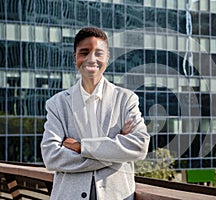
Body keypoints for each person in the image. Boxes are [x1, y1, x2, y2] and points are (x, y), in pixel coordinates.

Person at [41, 27, 150, 200]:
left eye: (98, 53)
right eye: (84, 52)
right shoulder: (57, 104)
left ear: (107, 57)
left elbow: (139, 145)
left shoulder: (126, 99)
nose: (92, 59)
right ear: (75, 57)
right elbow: (51, 157)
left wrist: (81, 147)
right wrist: (114, 153)